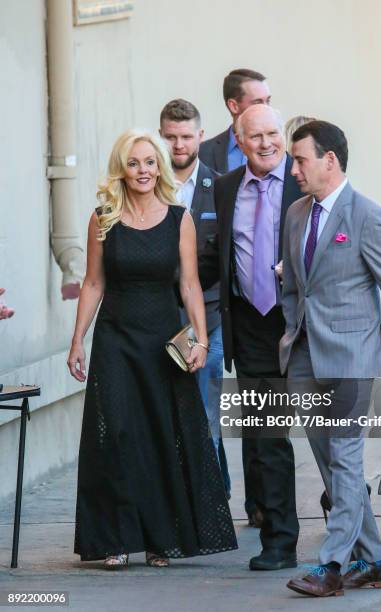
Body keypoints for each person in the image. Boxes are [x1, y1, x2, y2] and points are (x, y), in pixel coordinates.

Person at [281, 120, 381, 597]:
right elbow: (294, 287)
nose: (294, 170)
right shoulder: (295, 214)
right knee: (333, 467)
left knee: (347, 459)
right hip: (305, 358)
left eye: (300, 159)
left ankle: (331, 564)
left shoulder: (369, 217)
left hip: (354, 357)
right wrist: (291, 337)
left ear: (329, 160)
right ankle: (374, 560)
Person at [67, 128, 237, 569]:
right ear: (121, 169)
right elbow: (93, 283)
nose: (143, 171)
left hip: (163, 342)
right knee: (118, 434)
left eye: (149, 162)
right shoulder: (103, 217)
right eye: (133, 163)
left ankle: (164, 538)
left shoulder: (179, 218)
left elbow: (189, 283)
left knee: (165, 434)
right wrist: (76, 341)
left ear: (158, 167)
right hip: (115, 340)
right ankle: (118, 538)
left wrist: (199, 337)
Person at [199, 104, 302, 571]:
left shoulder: (305, 181)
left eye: (272, 134)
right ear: (237, 142)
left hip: (304, 323)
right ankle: (279, 542)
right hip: (254, 328)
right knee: (266, 440)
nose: (266, 143)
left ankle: (351, 523)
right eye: (254, 136)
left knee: (334, 437)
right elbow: (213, 257)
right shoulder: (224, 189)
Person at [159, 98, 231, 498]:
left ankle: (210, 504)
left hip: (210, 317)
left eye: (186, 136)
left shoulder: (221, 187)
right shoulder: (148, 185)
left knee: (205, 414)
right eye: (170, 137)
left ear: (201, 136)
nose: (178, 145)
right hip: (159, 315)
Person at [199, 68, 271, 173]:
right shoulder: (204, 152)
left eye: (268, 101)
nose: (266, 109)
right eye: (257, 102)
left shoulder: (277, 147)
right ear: (233, 106)